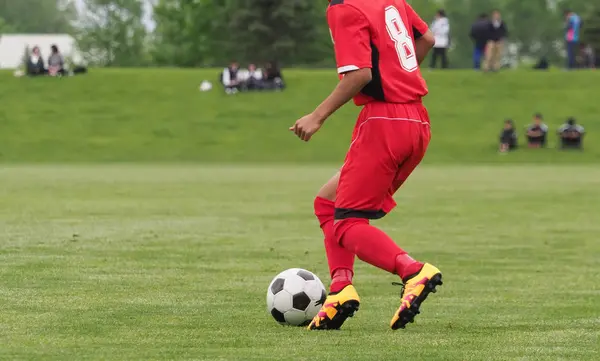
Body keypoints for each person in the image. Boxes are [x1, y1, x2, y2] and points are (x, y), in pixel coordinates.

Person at [290, 0, 442, 331]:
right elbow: (427, 38)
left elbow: (360, 74)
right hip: (416, 120)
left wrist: (317, 116)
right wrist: (399, 74)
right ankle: (340, 291)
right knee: (328, 204)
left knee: (346, 224)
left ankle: (413, 272)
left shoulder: (343, 7)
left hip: (384, 121)